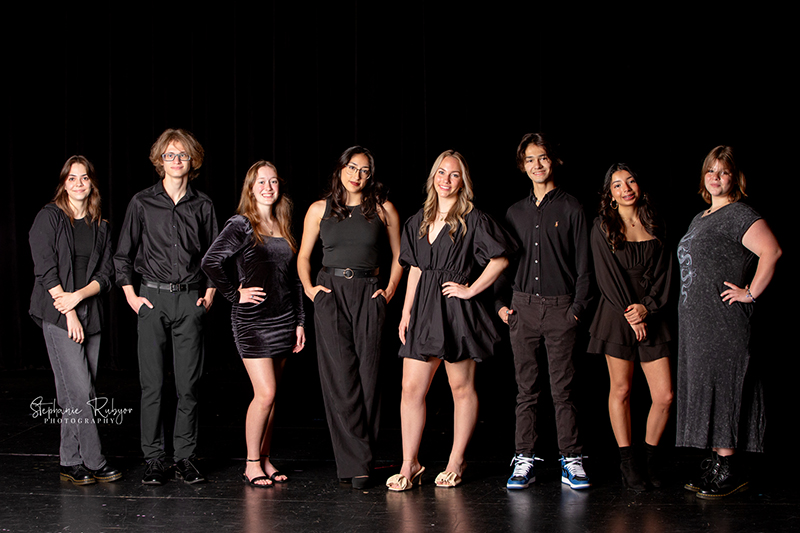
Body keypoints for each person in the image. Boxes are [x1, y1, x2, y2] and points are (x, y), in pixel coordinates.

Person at [386, 150, 514, 491]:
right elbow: (414, 268)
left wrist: (471, 290)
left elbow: (500, 259)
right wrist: (406, 311)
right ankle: (410, 463)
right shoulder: (418, 221)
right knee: (411, 389)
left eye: (453, 175)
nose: (446, 180)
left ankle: (457, 460)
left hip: (456, 311)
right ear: (433, 178)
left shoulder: (474, 218)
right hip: (423, 311)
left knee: (461, 388)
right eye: (441, 173)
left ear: (463, 182)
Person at [114, 128, 219, 485]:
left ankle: (186, 458)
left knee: (188, 385)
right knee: (153, 385)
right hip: (152, 299)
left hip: (190, 300)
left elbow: (214, 256)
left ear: (193, 162)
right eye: (170, 155)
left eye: (183, 156)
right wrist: (131, 296)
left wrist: (209, 295)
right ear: (160, 161)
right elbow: (122, 255)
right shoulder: (142, 202)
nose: (176, 161)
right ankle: (155, 459)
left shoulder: (203, 205)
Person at [676, 145, 781, 499]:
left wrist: (750, 293)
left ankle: (728, 469)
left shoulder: (739, 214)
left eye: (723, 172)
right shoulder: (701, 217)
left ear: (734, 178)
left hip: (723, 323)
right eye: (711, 171)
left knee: (723, 389)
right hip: (697, 326)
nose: (716, 177)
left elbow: (772, 251)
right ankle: (716, 463)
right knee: (706, 387)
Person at [297, 146, 402, 488]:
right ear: (341, 169)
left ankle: (361, 460)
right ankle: (356, 464)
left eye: (365, 170)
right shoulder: (318, 209)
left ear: (371, 175)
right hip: (331, 291)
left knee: (369, 377)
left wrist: (387, 292)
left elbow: (401, 257)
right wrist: (312, 290)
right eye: (352, 168)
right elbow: (303, 257)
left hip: (368, 292)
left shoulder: (384, 210)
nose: (357, 176)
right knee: (340, 379)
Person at [496, 133, 592, 490]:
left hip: (561, 309)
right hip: (522, 309)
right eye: (531, 159)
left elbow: (584, 268)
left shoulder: (572, 208)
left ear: (555, 162)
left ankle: (572, 458)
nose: (537, 165)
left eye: (544, 158)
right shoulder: (514, 212)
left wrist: (577, 311)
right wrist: (501, 306)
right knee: (526, 390)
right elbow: (502, 265)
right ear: (523, 165)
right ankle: (525, 459)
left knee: (564, 390)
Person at [201, 161, 305, 488]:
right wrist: (234, 294)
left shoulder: (283, 223)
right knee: (265, 393)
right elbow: (210, 262)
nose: (268, 186)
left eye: (273, 181)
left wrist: (300, 321)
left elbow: (295, 280)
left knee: (273, 398)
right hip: (254, 322)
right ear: (251, 187)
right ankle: (250, 463)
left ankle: (266, 458)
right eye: (261, 181)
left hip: (284, 318)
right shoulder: (242, 224)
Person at [29, 155, 122, 485]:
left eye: (84, 178)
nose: (78, 184)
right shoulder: (50, 217)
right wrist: (68, 310)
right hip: (57, 314)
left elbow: (107, 275)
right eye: (72, 178)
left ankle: (70, 461)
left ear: (91, 183)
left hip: (89, 313)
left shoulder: (101, 225)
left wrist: (79, 299)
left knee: (74, 394)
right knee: (82, 393)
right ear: (63, 183)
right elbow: (45, 269)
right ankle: (95, 460)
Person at [587, 163, 673, 491]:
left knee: (664, 396)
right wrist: (631, 313)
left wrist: (647, 308)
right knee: (621, 390)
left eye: (631, 181)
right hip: (616, 314)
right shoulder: (602, 227)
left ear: (640, 186)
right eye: (618, 184)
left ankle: (650, 459)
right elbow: (606, 276)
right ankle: (628, 462)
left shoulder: (655, 222)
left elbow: (666, 273)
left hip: (653, 314)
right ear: (610, 194)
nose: (626, 188)